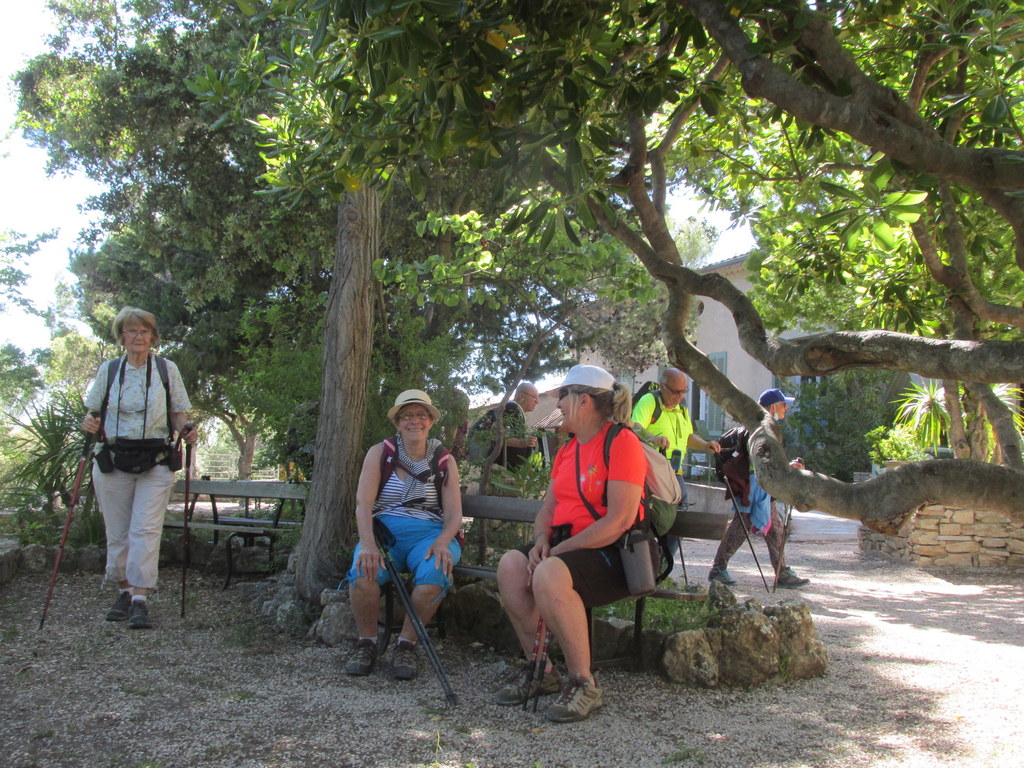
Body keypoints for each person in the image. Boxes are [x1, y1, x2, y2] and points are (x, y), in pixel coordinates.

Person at [494, 365, 651, 723]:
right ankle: (542, 672)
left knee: (548, 573)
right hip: (565, 550)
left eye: (562, 395)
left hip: (614, 553)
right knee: (511, 566)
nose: (557, 403)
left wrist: (556, 553)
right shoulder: (566, 451)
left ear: (583, 400)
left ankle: (584, 683)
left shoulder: (622, 442)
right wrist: (539, 543)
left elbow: (620, 521)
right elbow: (547, 510)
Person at [82, 306, 197, 629]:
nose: (138, 336)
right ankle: (123, 590)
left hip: (156, 460)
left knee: (145, 529)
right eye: (131, 330)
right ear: (121, 336)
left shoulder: (165, 369)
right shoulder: (110, 370)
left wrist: (187, 430)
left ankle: (139, 599)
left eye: (144, 331)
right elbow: (93, 413)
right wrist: (89, 424)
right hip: (114, 459)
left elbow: (178, 413)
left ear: (152, 336)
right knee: (117, 531)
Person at [343, 389, 463, 681]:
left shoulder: (444, 460)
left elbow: (454, 514)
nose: (414, 421)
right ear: (397, 422)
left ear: (430, 421)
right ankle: (367, 643)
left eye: (421, 415)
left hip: (431, 534)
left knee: (435, 573)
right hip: (386, 535)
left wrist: (443, 542)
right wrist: (368, 544)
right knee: (363, 573)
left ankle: (406, 645)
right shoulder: (380, 453)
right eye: (407, 415)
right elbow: (363, 503)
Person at [708, 388, 809, 589]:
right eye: (783, 404)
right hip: (752, 491)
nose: (786, 408)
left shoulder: (759, 427)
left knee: (776, 529)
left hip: (757, 489)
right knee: (740, 528)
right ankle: (718, 568)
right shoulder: (762, 429)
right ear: (772, 406)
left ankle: (782, 572)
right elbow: (763, 461)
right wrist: (788, 468)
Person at [631, 368, 720, 504]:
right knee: (664, 518)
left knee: (682, 510)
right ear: (662, 387)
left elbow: (688, 437)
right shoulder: (649, 401)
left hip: (676, 473)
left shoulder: (682, 407)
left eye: (684, 391)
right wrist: (653, 439)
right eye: (675, 392)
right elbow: (634, 427)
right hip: (654, 475)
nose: (680, 396)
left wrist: (705, 445)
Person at [468, 382, 540, 469]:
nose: (537, 401)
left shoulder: (513, 410)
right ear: (521, 396)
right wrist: (522, 443)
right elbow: (497, 435)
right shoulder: (511, 408)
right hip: (498, 469)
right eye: (534, 397)